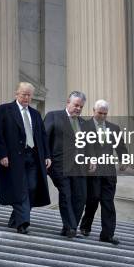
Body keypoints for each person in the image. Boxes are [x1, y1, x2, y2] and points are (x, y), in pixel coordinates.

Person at [0, 82, 51, 234]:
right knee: (19, 189)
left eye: (29, 95)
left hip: (33, 157)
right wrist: (2, 155)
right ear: (16, 94)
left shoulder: (36, 114)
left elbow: (43, 137)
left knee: (31, 187)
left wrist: (47, 156)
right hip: (13, 157)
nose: (26, 97)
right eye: (23, 94)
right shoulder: (4, 110)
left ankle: (15, 219)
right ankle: (23, 222)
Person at [79, 99, 128, 245]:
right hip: (92, 171)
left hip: (108, 171)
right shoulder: (84, 126)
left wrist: (124, 159)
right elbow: (81, 147)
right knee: (92, 200)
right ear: (93, 110)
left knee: (108, 203)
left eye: (105, 114)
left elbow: (121, 147)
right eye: (99, 113)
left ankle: (107, 234)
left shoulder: (114, 128)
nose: (102, 116)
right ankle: (85, 226)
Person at [45, 91, 88, 238]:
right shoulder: (54, 116)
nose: (78, 108)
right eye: (76, 105)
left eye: (81, 106)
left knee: (81, 197)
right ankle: (70, 227)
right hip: (59, 164)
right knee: (66, 194)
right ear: (68, 102)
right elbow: (44, 138)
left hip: (80, 167)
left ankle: (70, 226)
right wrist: (46, 157)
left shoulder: (83, 123)